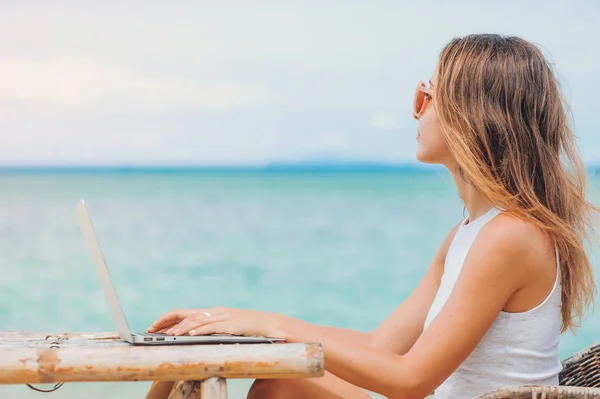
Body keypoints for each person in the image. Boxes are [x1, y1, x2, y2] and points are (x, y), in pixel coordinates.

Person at [145, 33, 598, 399]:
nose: (414, 111)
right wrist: (242, 320)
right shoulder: (468, 235)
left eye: (426, 96)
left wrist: (275, 327)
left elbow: (410, 380)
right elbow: (380, 347)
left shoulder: (512, 235)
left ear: (471, 114)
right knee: (215, 361)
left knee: (278, 386)